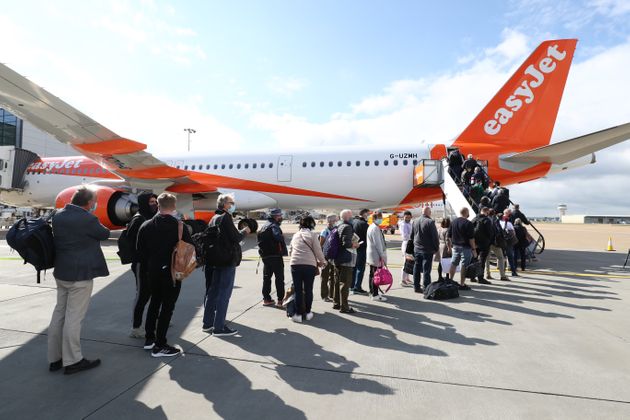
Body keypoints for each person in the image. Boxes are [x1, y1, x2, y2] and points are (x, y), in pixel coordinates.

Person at [48, 187, 109, 374]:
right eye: (94, 201)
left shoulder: (58, 216)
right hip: (80, 274)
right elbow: (104, 234)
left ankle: (55, 358)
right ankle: (73, 360)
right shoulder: (87, 218)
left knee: (59, 314)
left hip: (62, 271)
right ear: (89, 203)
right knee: (74, 318)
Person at [137, 193, 193, 357]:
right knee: (167, 308)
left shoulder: (146, 225)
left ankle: (149, 339)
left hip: (152, 272)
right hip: (172, 272)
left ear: (158, 205)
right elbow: (190, 248)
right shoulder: (179, 226)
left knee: (154, 302)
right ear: (174, 207)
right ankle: (160, 344)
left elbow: (140, 252)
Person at [202, 193, 250, 336]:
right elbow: (235, 237)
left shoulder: (213, 218)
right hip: (226, 260)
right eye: (231, 202)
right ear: (224, 204)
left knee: (213, 293)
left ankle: (208, 323)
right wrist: (244, 231)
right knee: (224, 294)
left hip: (215, 260)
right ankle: (219, 327)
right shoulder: (225, 218)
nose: (232, 205)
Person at [126, 192, 158, 338]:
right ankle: (136, 327)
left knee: (155, 293)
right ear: (144, 203)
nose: (155, 204)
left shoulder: (154, 218)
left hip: (154, 262)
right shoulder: (138, 219)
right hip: (142, 264)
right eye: (151, 202)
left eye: (156, 201)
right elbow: (131, 242)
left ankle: (154, 319)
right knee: (143, 295)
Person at [288, 216, 326, 322]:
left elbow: (290, 251)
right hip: (309, 265)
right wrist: (322, 262)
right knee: (309, 289)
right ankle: (308, 312)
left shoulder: (295, 235)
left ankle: (298, 315)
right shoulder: (313, 235)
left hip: (295, 264)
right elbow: (318, 250)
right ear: (312, 225)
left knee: (298, 290)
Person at [257, 208, 288, 308]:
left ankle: (266, 299)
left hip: (265, 256)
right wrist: (281, 236)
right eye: (280, 216)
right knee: (279, 279)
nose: (281, 217)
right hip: (275, 256)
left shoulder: (264, 226)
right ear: (276, 216)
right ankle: (280, 300)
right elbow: (277, 237)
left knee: (267, 278)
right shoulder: (274, 226)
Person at [333, 209, 360, 314]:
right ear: (348, 217)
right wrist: (356, 245)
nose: (353, 217)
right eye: (351, 216)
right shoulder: (348, 227)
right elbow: (346, 243)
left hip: (338, 258)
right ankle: (344, 307)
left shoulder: (339, 226)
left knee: (337, 281)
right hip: (346, 259)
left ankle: (336, 303)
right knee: (345, 283)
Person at [447, 207, 477, 290]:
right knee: (464, 265)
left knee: (453, 263)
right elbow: (471, 239)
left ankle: (450, 280)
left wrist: (450, 245)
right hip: (465, 247)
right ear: (467, 213)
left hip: (455, 246)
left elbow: (449, 236)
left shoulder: (453, 222)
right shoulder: (468, 223)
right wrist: (474, 250)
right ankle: (462, 284)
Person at [411, 206, 439, 293]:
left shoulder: (415, 221)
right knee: (426, 269)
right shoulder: (430, 222)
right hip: (427, 250)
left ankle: (416, 286)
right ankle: (426, 288)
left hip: (417, 248)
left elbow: (412, 236)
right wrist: (436, 248)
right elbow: (435, 237)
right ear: (428, 212)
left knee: (416, 268)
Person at [367, 210, 388, 302]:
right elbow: (378, 244)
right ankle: (375, 294)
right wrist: (382, 255)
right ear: (375, 218)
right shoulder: (375, 228)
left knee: (372, 274)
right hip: (376, 255)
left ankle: (372, 292)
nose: (381, 220)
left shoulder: (372, 226)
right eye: (380, 218)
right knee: (376, 275)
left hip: (372, 254)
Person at [319, 214, 338, 302]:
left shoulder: (336, 229)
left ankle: (332, 293)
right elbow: (320, 244)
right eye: (335, 220)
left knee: (333, 276)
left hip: (333, 257)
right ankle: (324, 295)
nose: (336, 222)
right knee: (325, 276)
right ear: (330, 221)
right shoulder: (324, 231)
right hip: (326, 256)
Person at [472, 206, 494, 284]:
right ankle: (480, 278)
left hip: (474, 243)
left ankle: (472, 276)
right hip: (484, 243)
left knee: (474, 259)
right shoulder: (487, 220)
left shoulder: (474, 218)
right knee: (482, 260)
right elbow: (490, 232)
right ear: (487, 212)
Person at [351, 209, 369, 295]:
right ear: (364, 214)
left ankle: (352, 285)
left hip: (353, 248)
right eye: (368, 214)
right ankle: (357, 287)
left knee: (354, 268)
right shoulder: (364, 224)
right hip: (361, 248)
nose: (368, 215)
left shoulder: (354, 222)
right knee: (360, 268)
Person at [487, 209, 509, 281]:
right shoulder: (495, 220)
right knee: (501, 258)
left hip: (487, 242)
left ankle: (488, 274)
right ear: (494, 213)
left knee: (487, 259)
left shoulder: (485, 219)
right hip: (495, 242)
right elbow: (498, 231)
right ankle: (502, 275)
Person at [499, 209, 518, 277]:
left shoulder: (498, 223)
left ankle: (502, 272)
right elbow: (513, 233)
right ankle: (513, 271)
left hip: (501, 242)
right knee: (510, 257)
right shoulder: (509, 224)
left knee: (501, 257)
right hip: (508, 242)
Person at [398, 210, 413, 287]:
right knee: (406, 262)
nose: (407, 218)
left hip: (410, 243)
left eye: (409, 217)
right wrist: (412, 236)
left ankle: (407, 278)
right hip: (407, 243)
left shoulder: (410, 223)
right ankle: (402, 280)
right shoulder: (403, 224)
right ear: (403, 217)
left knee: (409, 262)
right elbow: (405, 236)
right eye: (406, 217)